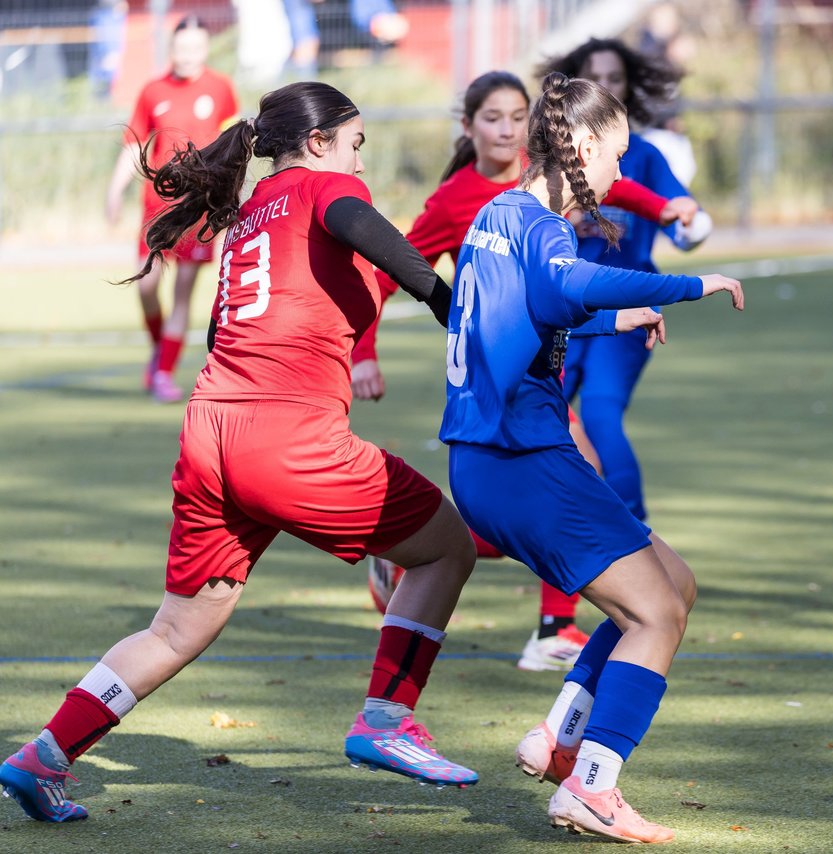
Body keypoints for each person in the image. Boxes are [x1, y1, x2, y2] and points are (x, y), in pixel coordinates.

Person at [0, 81, 478, 825]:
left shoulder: (252, 210)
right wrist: (455, 309)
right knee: (446, 548)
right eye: (354, 145)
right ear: (316, 143)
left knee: (176, 629)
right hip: (284, 435)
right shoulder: (324, 189)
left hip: (211, 431)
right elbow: (365, 226)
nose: (359, 163)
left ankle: (43, 757)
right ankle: (388, 720)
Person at [441, 72, 743, 843]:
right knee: (657, 614)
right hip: (521, 459)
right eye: (615, 155)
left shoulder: (499, 215)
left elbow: (532, 313)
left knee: (675, 582)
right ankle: (592, 786)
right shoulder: (543, 226)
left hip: (497, 457)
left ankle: (561, 737)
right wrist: (689, 283)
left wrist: (614, 320)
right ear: (580, 147)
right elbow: (567, 282)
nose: (618, 173)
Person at [355, 70, 697, 673]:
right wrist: (369, 349)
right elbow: (401, 272)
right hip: (504, 387)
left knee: (544, 499)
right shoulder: (469, 201)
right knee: (577, 472)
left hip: (539, 368)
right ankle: (553, 626)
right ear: (468, 127)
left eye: (518, 116)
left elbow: (609, 189)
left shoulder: (543, 182)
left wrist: (664, 207)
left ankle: (530, 614)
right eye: (493, 118)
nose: (507, 129)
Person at [538, 38, 712, 524]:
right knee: (539, 420)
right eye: (595, 77)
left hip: (627, 312)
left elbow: (680, 219)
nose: (606, 86)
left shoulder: (644, 156)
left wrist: (688, 219)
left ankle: (636, 537)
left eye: (615, 78)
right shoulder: (554, 159)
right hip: (565, 312)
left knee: (599, 413)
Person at [106, 17, 238, 404]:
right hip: (157, 210)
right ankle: (159, 350)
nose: (188, 55)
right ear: (172, 49)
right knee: (145, 286)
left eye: (196, 47)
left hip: (200, 209)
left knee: (182, 292)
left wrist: (232, 194)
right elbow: (134, 145)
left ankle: (163, 371)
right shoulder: (153, 91)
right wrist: (114, 190)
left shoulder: (220, 88)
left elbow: (232, 147)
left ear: (206, 48)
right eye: (182, 48)